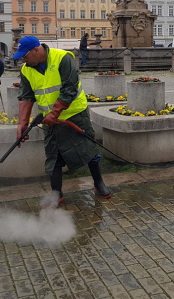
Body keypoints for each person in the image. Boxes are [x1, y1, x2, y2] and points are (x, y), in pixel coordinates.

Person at [13, 36, 111, 208]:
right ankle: (56, 193)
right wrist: (22, 124)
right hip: (50, 121)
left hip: (75, 114)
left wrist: (55, 113)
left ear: (36, 50)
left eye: (25, 56)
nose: (23, 60)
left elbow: (70, 88)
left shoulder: (63, 58)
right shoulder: (27, 69)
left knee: (89, 150)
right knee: (53, 156)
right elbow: (26, 96)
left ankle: (99, 183)